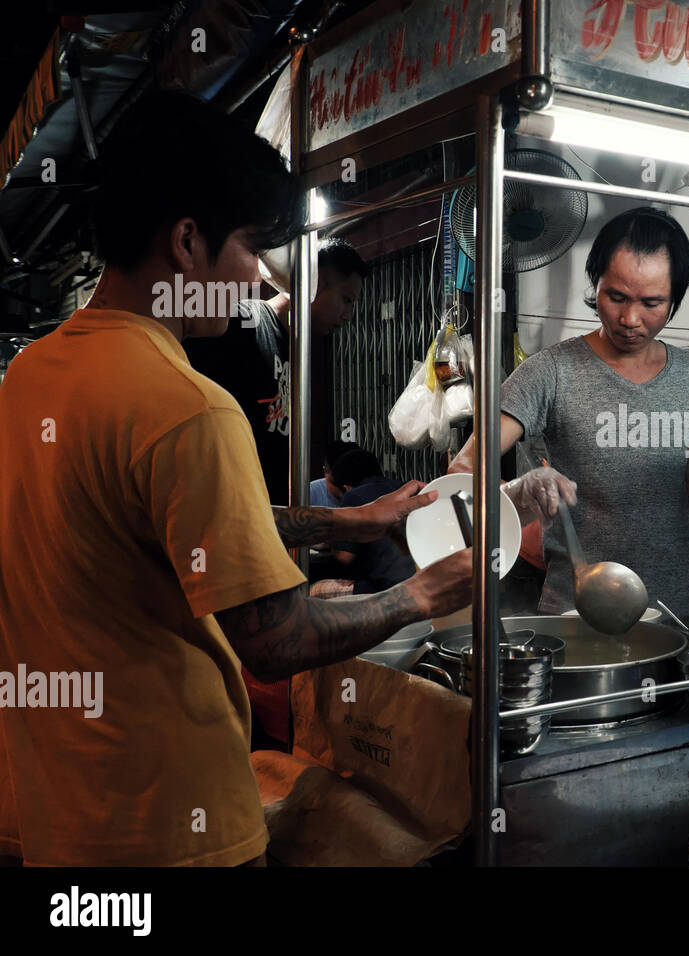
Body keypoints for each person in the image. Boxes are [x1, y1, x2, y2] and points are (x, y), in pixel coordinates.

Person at [0, 90, 472, 867]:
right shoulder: (187, 405)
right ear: (187, 242)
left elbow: (167, 535)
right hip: (166, 821)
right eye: (252, 247)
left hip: (51, 809)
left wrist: (354, 522)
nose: (258, 276)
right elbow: (277, 641)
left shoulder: (32, 374)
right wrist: (422, 594)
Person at [451, 207, 689, 616]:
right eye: (616, 297)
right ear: (595, 281)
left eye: (652, 302)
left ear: (675, 298)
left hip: (678, 616)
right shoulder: (551, 371)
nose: (630, 319)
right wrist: (520, 487)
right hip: (579, 616)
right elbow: (463, 471)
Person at [185, 237, 369, 505]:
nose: (348, 315)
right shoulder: (240, 323)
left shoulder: (298, 351)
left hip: (268, 515)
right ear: (319, 282)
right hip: (221, 509)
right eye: (346, 300)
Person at [328, 449, 418, 594]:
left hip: (380, 588)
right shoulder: (404, 488)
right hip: (416, 581)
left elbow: (345, 557)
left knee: (315, 590)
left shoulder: (353, 496)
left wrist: (329, 538)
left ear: (346, 487)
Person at [312, 438, 359, 508]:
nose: (347, 492)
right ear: (325, 471)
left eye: (353, 484)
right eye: (339, 486)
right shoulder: (310, 494)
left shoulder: (372, 493)